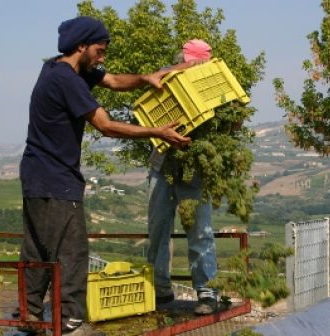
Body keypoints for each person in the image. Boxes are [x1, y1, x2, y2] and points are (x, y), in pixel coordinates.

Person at [18, 16, 190, 336]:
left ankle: (28, 316)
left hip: (38, 174)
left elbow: (111, 80)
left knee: (39, 247)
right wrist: (158, 132)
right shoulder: (66, 81)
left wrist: (148, 78)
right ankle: (70, 323)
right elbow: (106, 125)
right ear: (82, 46)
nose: (103, 56)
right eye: (100, 49)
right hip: (56, 176)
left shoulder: (60, 67)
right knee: (72, 251)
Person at [146, 39, 219, 315]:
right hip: (162, 164)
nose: (195, 68)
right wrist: (184, 69)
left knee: (200, 232)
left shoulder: (215, 85)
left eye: (199, 63)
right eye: (190, 62)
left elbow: (233, 120)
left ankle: (207, 293)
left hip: (196, 169)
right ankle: (160, 290)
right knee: (158, 229)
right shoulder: (168, 75)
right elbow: (156, 84)